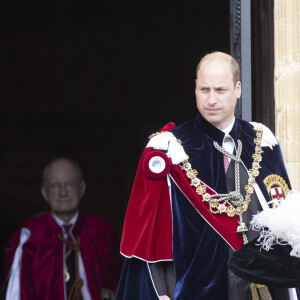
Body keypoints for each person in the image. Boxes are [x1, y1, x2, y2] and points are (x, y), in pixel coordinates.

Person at [116, 52, 300, 300]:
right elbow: (150, 243)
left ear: (237, 89)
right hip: (197, 290)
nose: (211, 100)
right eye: (204, 89)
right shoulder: (168, 150)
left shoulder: (262, 140)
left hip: (262, 291)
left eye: (220, 90)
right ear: (195, 88)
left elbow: (285, 225)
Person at [2, 158, 122, 300]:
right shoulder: (28, 239)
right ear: (44, 193)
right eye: (55, 186)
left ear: (82, 188)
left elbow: (120, 285)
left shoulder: (103, 233)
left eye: (69, 185)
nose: (63, 193)